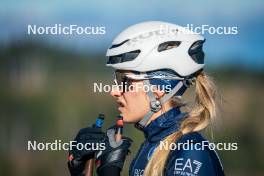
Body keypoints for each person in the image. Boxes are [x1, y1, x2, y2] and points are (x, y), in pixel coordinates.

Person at [68, 21, 225, 176]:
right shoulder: (153, 144)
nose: (114, 91)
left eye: (126, 81)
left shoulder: (189, 150)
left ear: (158, 88)